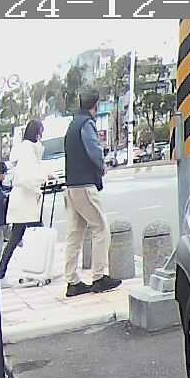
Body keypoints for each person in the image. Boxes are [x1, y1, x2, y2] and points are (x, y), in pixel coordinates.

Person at [59, 91, 118, 297]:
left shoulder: (73, 124)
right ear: (96, 105)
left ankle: (72, 281)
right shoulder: (87, 124)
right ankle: (99, 277)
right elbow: (94, 150)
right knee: (101, 228)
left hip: (71, 185)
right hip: (84, 185)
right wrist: (101, 166)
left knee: (75, 233)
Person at [0, 119, 45, 280]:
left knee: (16, 237)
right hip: (26, 200)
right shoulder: (29, 150)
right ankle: (38, 268)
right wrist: (40, 183)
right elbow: (28, 176)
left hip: (21, 201)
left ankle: (1, 271)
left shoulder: (24, 148)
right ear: (37, 134)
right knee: (39, 234)